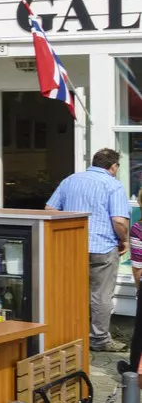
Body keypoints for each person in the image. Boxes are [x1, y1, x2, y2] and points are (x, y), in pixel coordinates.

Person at [48, 147, 128, 352]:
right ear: (113, 166)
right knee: (101, 295)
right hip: (102, 247)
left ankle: (70, 334)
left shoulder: (70, 181)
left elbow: (50, 210)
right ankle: (99, 339)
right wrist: (125, 240)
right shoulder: (113, 185)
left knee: (72, 292)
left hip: (72, 246)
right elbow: (119, 221)